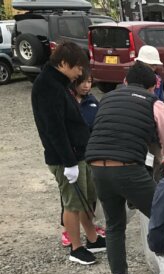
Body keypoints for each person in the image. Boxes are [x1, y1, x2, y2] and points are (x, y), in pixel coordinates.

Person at [86, 64, 164, 274]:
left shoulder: (107, 98)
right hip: (127, 169)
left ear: (124, 81)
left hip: (97, 168)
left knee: (114, 226)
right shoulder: (155, 103)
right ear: (153, 86)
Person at [31, 42, 106, 265]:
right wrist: (68, 162)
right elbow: (54, 128)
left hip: (78, 153)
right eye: (78, 68)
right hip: (65, 157)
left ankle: (92, 238)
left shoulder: (61, 82)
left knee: (85, 199)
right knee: (72, 203)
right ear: (64, 63)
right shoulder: (47, 86)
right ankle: (76, 247)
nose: (80, 73)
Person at [57, 70, 104, 248]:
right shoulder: (65, 100)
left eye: (90, 81)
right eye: (82, 82)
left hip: (90, 154)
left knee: (89, 195)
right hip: (72, 156)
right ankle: (69, 231)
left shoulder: (92, 102)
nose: (86, 85)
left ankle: (90, 230)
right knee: (71, 197)